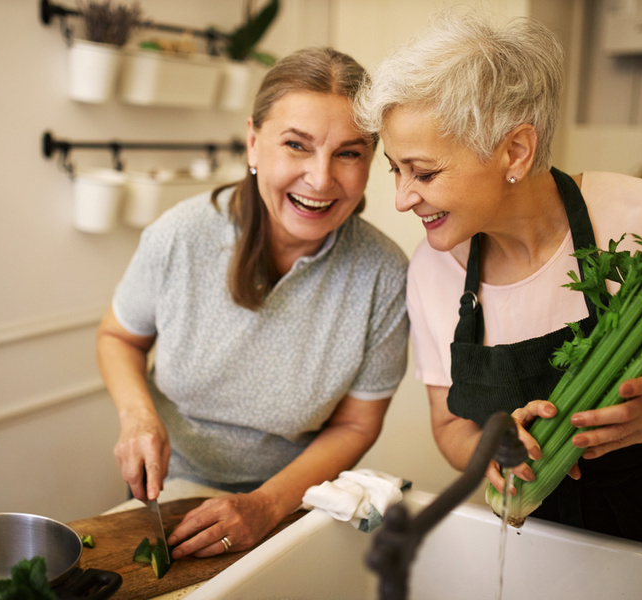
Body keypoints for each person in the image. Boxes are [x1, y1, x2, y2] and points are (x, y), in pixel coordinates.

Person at [354, 11, 642, 563]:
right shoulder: (432, 269)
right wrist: (489, 449)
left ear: (516, 150)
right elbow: (448, 425)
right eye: (394, 169)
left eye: (424, 172)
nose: (401, 197)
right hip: (548, 552)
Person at [96, 47, 409, 561]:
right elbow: (118, 337)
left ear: (371, 161)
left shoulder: (383, 274)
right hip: (170, 494)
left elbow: (356, 424)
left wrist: (266, 504)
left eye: (349, 153)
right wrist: (138, 418)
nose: (321, 178)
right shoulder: (180, 236)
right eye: (296, 145)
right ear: (253, 143)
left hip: (295, 504)